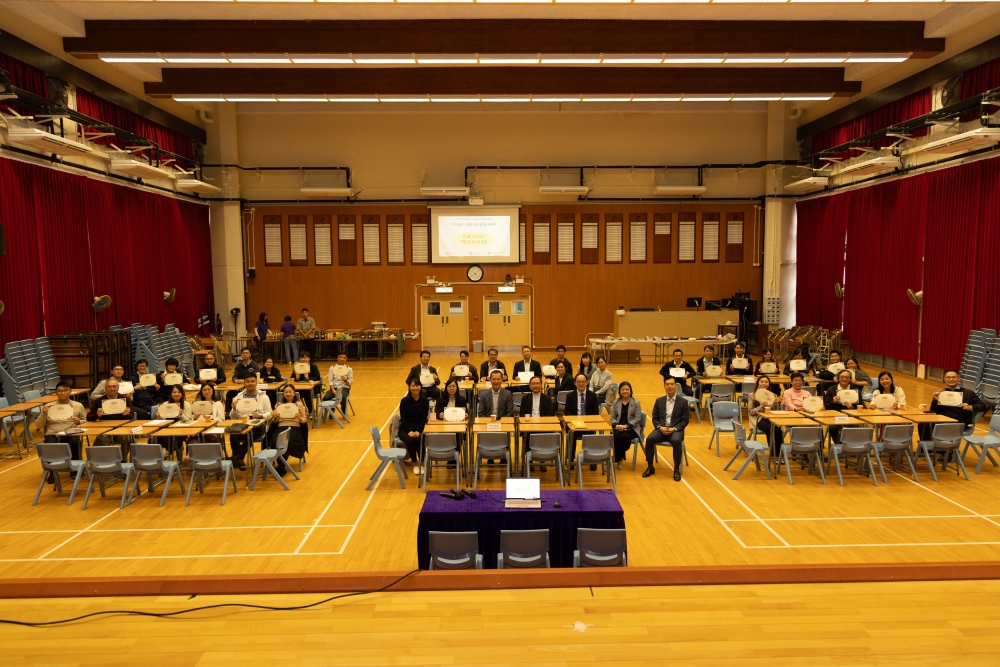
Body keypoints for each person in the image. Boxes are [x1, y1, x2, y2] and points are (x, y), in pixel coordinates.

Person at [643, 377, 689, 481]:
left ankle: (676, 469)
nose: (670, 386)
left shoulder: (683, 402)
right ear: (664, 386)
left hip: (675, 430)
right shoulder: (659, 401)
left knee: (676, 441)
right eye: (667, 384)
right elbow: (655, 418)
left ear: (676, 386)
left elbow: (685, 421)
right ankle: (650, 467)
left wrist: (674, 429)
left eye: (672, 384)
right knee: (650, 439)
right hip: (661, 429)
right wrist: (660, 427)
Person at [922, 369, 987, 439]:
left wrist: (970, 407)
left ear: (959, 378)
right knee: (923, 425)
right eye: (948, 377)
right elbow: (933, 411)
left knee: (942, 427)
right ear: (944, 379)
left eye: (953, 377)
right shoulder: (941, 393)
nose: (951, 379)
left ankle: (945, 445)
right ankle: (928, 445)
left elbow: (983, 406)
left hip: (959, 421)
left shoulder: (968, 393)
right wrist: (935, 400)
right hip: (942, 419)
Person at [35, 381, 86, 466]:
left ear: (70, 392)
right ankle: (52, 469)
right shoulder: (49, 406)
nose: (63, 393)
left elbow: (85, 420)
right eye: (60, 391)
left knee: (75, 442)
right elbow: (38, 425)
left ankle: (75, 468)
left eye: (65, 390)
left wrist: (79, 421)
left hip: (71, 433)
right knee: (50, 444)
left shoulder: (78, 405)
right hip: (53, 433)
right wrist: (43, 414)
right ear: (56, 393)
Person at [228, 375, 272, 471]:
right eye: (247, 381)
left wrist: (261, 416)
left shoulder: (263, 396)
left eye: (252, 381)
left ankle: (237, 457)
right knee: (233, 435)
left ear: (256, 383)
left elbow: (269, 413)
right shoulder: (238, 396)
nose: (250, 383)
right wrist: (234, 409)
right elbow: (233, 417)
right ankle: (239, 459)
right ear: (244, 383)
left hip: (258, 425)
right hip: (242, 424)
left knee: (250, 434)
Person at [266, 383, 309, 475]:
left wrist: (299, 418)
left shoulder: (299, 404)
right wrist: (275, 417)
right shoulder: (279, 405)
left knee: (289, 442)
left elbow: (304, 420)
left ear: (294, 393)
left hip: (294, 428)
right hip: (281, 427)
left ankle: (281, 467)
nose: (288, 394)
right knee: (275, 442)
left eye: (290, 392)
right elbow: (275, 421)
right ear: (283, 393)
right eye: (286, 392)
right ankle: (281, 467)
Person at [87, 377, 133, 456]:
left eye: (114, 386)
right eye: (109, 387)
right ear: (105, 389)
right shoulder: (98, 400)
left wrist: (127, 414)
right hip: (104, 429)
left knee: (127, 439)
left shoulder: (125, 399)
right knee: (100, 439)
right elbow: (88, 417)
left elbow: (132, 415)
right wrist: (97, 415)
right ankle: (99, 460)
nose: (112, 389)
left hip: (121, 428)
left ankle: (121, 459)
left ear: (118, 388)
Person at [563, 372, 601, 466]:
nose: (581, 384)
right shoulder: (570, 396)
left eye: (583, 382)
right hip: (574, 425)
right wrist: (575, 421)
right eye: (578, 382)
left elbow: (595, 412)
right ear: (575, 383)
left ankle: (591, 459)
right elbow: (567, 411)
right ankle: (570, 459)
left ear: (587, 383)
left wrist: (586, 422)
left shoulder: (593, 395)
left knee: (591, 435)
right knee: (571, 435)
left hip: (588, 425)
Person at [519, 375, 556, 472]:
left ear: (541, 385)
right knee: (527, 434)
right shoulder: (525, 398)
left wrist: (541, 422)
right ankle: (530, 461)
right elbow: (522, 413)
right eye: (533, 384)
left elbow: (550, 414)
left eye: (538, 383)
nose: (536, 385)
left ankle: (542, 461)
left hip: (543, 425)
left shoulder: (547, 398)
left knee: (543, 435)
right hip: (529, 425)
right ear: (530, 386)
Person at [399, 378, 430, 475]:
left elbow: (424, 419)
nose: (415, 388)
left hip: (419, 428)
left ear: (420, 387)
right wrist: (409, 431)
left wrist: (418, 431)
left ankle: (422, 463)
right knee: (410, 440)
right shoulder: (404, 401)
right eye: (413, 386)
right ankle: (415, 464)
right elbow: (403, 419)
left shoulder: (425, 401)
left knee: (419, 439)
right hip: (405, 428)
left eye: (417, 386)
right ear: (409, 387)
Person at [609, 381, 641, 469]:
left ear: (630, 391)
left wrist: (626, 426)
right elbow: (612, 417)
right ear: (619, 391)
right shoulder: (616, 402)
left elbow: (637, 418)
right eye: (622, 390)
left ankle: (618, 457)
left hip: (631, 428)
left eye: (627, 389)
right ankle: (620, 459)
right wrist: (617, 425)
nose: (625, 391)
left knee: (624, 437)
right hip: (618, 426)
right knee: (615, 435)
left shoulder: (636, 403)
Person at [748, 375, 783, 456]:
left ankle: (780, 454)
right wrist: (761, 406)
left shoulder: (772, 395)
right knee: (770, 429)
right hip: (758, 419)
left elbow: (775, 411)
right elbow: (751, 412)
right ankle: (774, 455)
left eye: (766, 382)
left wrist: (776, 403)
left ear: (769, 384)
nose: (764, 383)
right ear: (758, 383)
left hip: (769, 418)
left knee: (778, 429)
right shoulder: (752, 395)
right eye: (762, 381)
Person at [156, 385, 192, 459]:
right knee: (158, 433)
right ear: (170, 394)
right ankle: (162, 450)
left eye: (179, 392)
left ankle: (166, 451)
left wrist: (181, 415)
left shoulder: (186, 405)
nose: (176, 394)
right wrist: (159, 416)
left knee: (175, 436)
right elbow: (162, 420)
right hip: (167, 427)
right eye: (174, 392)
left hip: (181, 428)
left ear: (182, 393)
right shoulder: (165, 404)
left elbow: (189, 419)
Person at [823, 369, 858, 443]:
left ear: (850, 379)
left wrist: (852, 407)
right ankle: (839, 445)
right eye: (842, 377)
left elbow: (861, 407)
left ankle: (849, 444)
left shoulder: (856, 390)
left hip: (850, 416)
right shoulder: (831, 390)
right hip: (835, 416)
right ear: (838, 378)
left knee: (855, 426)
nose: (844, 379)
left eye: (847, 377)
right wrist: (833, 402)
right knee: (833, 428)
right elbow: (826, 406)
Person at [325, 352, 354, 417]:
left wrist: (345, 380)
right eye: (340, 357)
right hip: (334, 388)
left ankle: (344, 412)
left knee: (343, 397)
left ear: (346, 359)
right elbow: (330, 381)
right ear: (337, 358)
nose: (342, 359)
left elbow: (350, 382)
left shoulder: (349, 369)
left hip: (344, 388)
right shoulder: (332, 368)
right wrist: (333, 390)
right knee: (326, 398)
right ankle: (331, 410)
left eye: (344, 358)